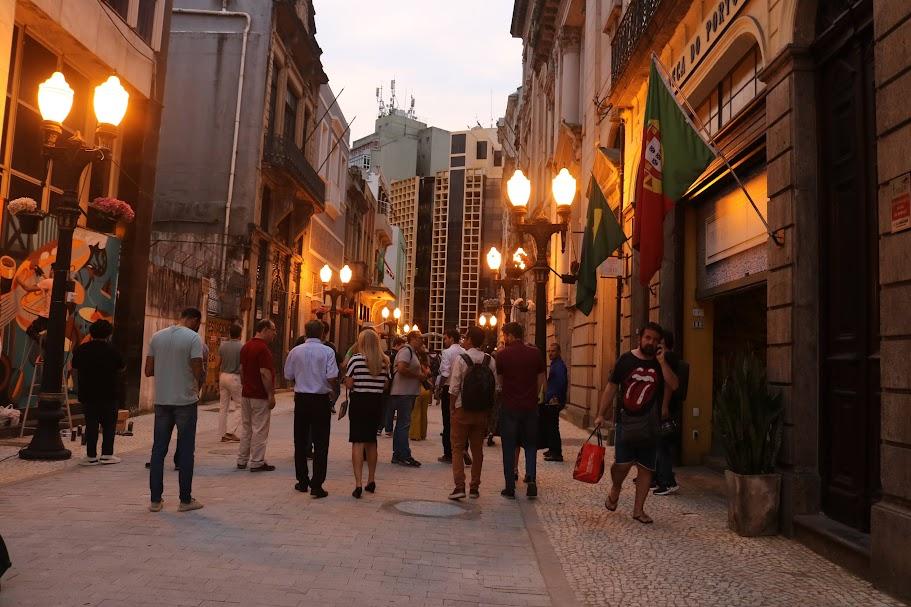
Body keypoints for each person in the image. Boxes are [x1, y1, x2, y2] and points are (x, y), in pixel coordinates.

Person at [594, 322, 679, 524]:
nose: (650, 342)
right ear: (640, 338)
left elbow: (674, 385)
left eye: (655, 340)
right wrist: (600, 414)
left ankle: (638, 510)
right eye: (647, 338)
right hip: (626, 421)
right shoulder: (625, 360)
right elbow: (611, 388)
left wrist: (662, 362)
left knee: (646, 468)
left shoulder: (662, 363)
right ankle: (616, 488)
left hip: (650, 425)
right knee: (621, 465)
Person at [146, 307, 206, 513]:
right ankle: (185, 499)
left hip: (162, 400)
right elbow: (197, 368)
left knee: (158, 450)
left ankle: (155, 500)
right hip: (185, 401)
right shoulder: (193, 339)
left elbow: (148, 370)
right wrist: (197, 386)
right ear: (195, 320)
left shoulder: (156, 337)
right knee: (186, 450)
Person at [285, 320, 339, 498]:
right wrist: (333, 392)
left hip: (301, 399)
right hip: (320, 400)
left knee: (300, 441)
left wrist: (300, 382)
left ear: (305, 332)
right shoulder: (327, 351)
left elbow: (288, 375)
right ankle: (317, 484)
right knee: (321, 443)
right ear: (323, 333)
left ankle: (302, 481)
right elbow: (332, 376)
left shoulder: (295, 351)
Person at [447, 326, 498, 500]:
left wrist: (452, 408)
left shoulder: (462, 359)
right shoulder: (489, 360)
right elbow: (495, 388)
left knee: (458, 448)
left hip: (463, 408)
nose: (464, 340)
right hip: (481, 411)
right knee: (477, 451)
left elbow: (454, 388)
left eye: (465, 338)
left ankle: (459, 486)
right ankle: (474, 487)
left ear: (469, 340)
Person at [495, 322, 546, 499]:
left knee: (509, 446)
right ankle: (531, 478)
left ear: (510, 335)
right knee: (530, 444)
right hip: (530, 406)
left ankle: (510, 486)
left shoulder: (502, 355)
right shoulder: (535, 353)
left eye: (504, 335)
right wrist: (534, 395)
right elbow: (541, 378)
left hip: (510, 407)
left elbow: (500, 380)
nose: (504, 339)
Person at [72, 319, 125, 466]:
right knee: (109, 424)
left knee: (91, 423)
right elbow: (122, 368)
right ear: (109, 334)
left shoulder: (81, 350)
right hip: (110, 393)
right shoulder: (113, 350)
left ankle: (91, 456)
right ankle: (107, 454)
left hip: (88, 393)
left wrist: (78, 388)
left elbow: (74, 368)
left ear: (91, 333)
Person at [345, 329, 388, 498]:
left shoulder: (355, 360)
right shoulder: (384, 361)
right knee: (371, 441)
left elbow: (349, 384)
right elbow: (385, 386)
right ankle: (371, 479)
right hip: (376, 403)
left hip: (359, 403)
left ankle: (358, 484)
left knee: (357, 442)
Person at [238, 319, 277, 472]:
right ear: (265, 329)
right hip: (259, 395)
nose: (274, 333)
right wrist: (270, 395)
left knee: (246, 427)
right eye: (273, 330)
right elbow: (265, 373)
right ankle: (257, 461)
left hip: (246, 393)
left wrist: (245, 385)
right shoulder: (263, 349)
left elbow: (241, 370)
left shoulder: (246, 346)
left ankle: (242, 459)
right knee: (260, 428)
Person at [654, 330, 688, 496]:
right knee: (661, 444)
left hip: (666, 407)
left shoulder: (667, 358)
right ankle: (660, 478)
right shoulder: (668, 357)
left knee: (662, 445)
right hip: (666, 406)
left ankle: (667, 482)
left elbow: (669, 383)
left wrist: (664, 406)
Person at [388, 330, 427, 467]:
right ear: (412, 339)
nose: (422, 341)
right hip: (403, 393)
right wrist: (418, 376)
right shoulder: (406, 351)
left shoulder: (413, 352)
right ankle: (404, 455)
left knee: (401, 425)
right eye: (420, 338)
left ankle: (398, 454)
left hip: (407, 392)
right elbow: (402, 368)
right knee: (404, 425)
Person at [436, 329, 465, 463]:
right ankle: (463, 448)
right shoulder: (464, 352)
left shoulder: (447, 352)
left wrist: (439, 387)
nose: (444, 341)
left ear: (452, 338)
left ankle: (448, 453)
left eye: (446, 338)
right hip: (462, 390)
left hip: (449, 389)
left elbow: (445, 373)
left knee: (448, 422)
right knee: (460, 420)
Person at [542, 342, 568, 462]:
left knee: (553, 427)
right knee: (550, 425)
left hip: (554, 400)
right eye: (549, 351)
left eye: (553, 351)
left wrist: (555, 397)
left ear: (559, 352)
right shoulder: (554, 365)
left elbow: (561, 383)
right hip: (552, 399)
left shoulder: (559, 366)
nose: (550, 353)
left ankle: (557, 453)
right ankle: (553, 449)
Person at [217, 324, 244, 442]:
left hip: (223, 375)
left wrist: (217, 377)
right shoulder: (242, 347)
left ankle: (222, 433)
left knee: (223, 406)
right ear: (240, 334)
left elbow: (219, 363)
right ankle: (230, 431)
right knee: (240, 405)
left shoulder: (223, 346)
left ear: (229, 333)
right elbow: (242, 366)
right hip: (235, 377)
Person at [381, 336, 405, 436]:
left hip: (384, 382)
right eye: (402, 346)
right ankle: (388, 428)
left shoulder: (385, 353)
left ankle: (381, 427)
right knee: (391, 407)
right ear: (398, 344)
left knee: (385, 406)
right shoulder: (399, 355)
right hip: (394, 383)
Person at [409, 349, 432, 441]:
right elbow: (430, 376)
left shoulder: (417, 365)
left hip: (418, 388)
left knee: (415, 413)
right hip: (426, 390)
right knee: (424, 413)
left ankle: (415, 434)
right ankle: (423, 433)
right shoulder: (426, 366)